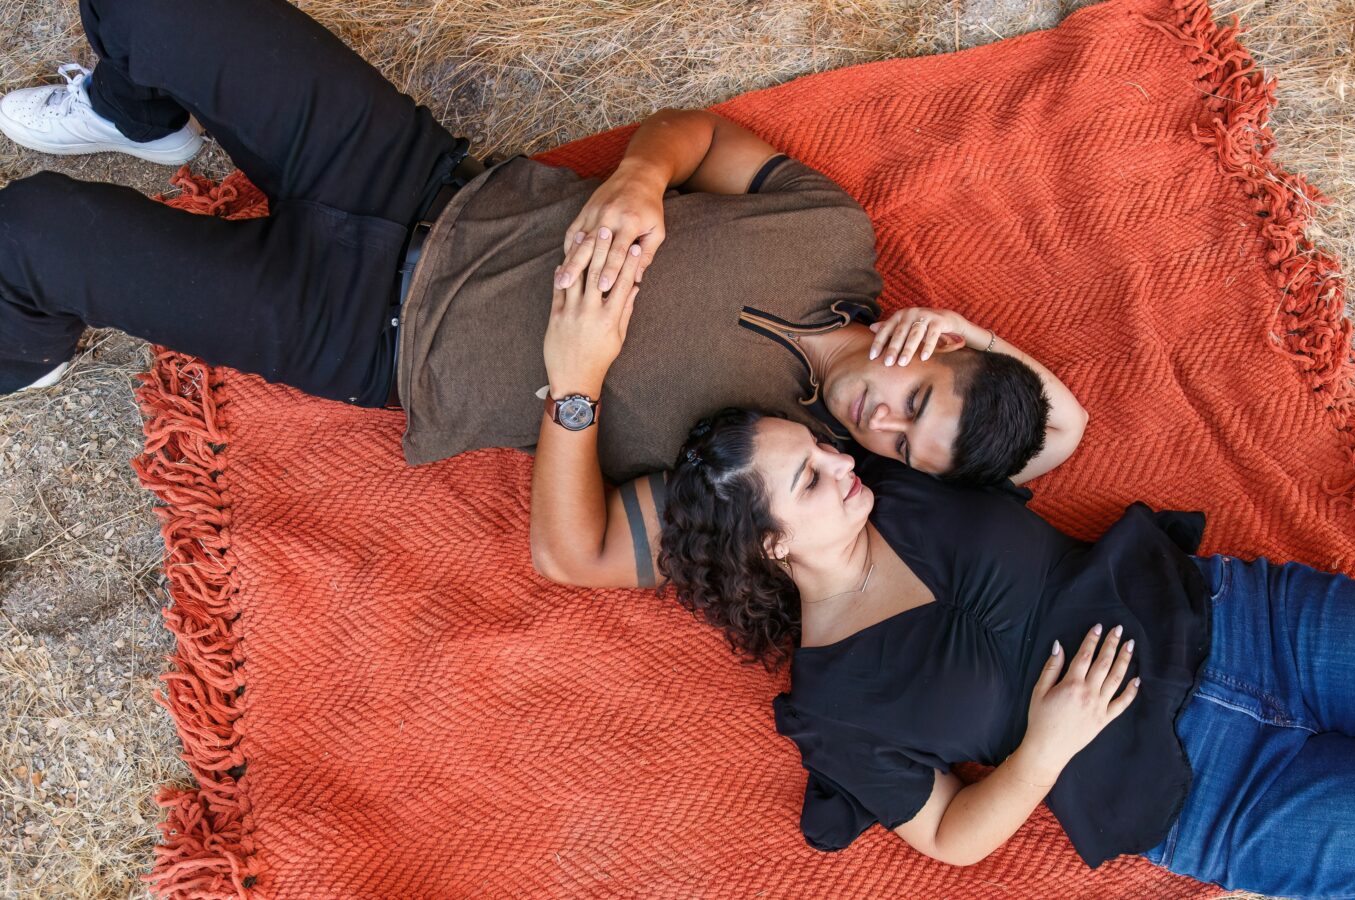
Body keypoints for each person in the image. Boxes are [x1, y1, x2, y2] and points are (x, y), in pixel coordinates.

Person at [528, 258, 1355, 896]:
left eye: (824, 449)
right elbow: (950, 838)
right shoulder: (833, 708)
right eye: (808, 477)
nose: (841, 456)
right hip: (1215, 799)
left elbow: (1059, 427)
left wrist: (962, 337)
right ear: (770, 546)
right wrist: (1046, 743)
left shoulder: (903, 480)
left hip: (1253, 626)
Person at [0, 0, 1089, 582]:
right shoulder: (830, 234)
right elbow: (695, 137)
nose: (879, 421)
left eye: (901, 447)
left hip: (363, 335)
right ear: (943, 347)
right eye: (920, 397)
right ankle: (141, 119)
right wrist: (638, 179)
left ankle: (26, 351)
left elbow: (577, 557)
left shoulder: (776, 472)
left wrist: (575, 389)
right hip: (413, 174)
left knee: (32, 233)